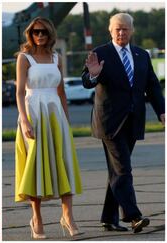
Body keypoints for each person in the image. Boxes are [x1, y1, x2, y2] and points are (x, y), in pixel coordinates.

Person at [82, 12, 165, 233]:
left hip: (133, 121)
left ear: (132, 31)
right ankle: (133, 216)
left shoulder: (141, 55)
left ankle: (108, 219)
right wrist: (93, 76)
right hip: (109, 122)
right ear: (110, 30)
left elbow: (153, 86)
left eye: (125, 28)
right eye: (117, 28)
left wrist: (162, 111)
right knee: (123, 169)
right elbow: (87, 82)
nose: (121, 32)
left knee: (117, 172)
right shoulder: (100, 53)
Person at [14, 17, 83, 239]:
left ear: (50, 33)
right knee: (35, 165)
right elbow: (19, 92)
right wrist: (24, 121)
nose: (40, 35)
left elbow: (61, 92)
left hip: (56, 115)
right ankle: (37, 218)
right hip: (33, 113)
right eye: (36, 32)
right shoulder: (24, 58)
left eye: (43, 31)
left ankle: (68, 216)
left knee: (64, 162)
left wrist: (67, 121)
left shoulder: (56, 58)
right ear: (30, 34)